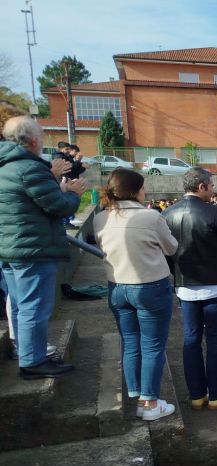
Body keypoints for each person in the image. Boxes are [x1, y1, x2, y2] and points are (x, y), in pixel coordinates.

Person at [0, 116, 87, 379]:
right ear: (33, 140)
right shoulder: (29, 168)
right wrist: (73, 194)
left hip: (11, 247)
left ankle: (27, 353)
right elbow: (58, 206)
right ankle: (33, 361)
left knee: (20, 304)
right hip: (32, 248)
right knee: (33, 307)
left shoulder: (7, 166)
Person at [93, 168, 178, 420]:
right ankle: (149, 403)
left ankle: (137, 394)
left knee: (130, 341)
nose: (145, 192)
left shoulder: (100, 218)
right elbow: (171, 247)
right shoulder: (150, 217)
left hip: (117, 287)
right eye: (143, 188)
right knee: (152, 345)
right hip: (150, 286)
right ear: (135, 190)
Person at [162, 168, 217, 410]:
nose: (213, 190)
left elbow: (166, 253)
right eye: (211, 185)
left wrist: (176, 272)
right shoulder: (215, 213)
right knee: (215, 340)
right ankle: (215, 395)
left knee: (191, 339)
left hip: (185, 286)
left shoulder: (167, 213)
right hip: (215, 286)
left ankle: (196, 395)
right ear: (201, 186)